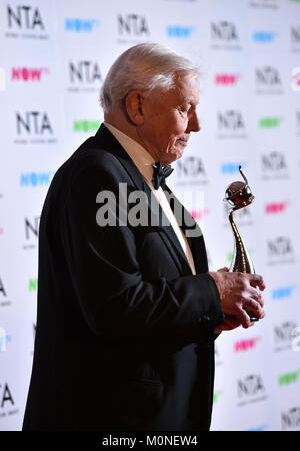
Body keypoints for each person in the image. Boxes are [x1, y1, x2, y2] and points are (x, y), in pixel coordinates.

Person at [22, 43, 265, 431]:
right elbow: (116, 308)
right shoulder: (98, 176)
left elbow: (152, 294)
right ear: (137, 107)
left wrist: (211, 311)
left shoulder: (140, 177)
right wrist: (212, 291)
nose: (197, 125)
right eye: (185, 109)